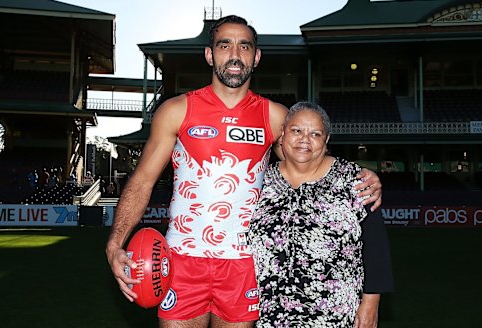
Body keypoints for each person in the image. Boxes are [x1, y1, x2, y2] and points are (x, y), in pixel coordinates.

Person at [105, 15, 383, 328]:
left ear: (257, 57)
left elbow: (314, 166)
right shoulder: (177, 110)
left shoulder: (275, 117)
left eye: (244, 46)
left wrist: (362, 175)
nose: (235, 54)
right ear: (210, 55)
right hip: (182, 259)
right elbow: (142, 181)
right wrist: (115, 245)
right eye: (225, 45)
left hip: (243, 264)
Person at [248, 102, 393, 328]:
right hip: (268, 314)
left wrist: (371, 302)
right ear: (283, 134)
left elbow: (375, 246)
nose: (305, 139)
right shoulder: (256, 182)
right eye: (297, 131)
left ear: (325, 140)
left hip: (334, 315)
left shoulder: (355, 182)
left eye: (315, 133)